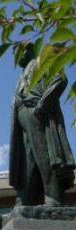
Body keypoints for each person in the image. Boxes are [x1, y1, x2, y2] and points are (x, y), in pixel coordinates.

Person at [10, 42, 75, 207]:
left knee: (45, 156)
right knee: (28, 160)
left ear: (29, 50)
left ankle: (53, 197)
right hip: (22, 121)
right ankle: (26, 198)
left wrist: (42, 105)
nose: (16, 57)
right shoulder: (22, 74)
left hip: (37, 114)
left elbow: (60, 79)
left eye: (18, 52)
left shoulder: (41, 62)